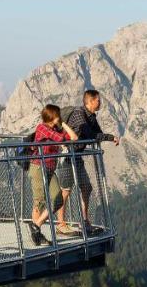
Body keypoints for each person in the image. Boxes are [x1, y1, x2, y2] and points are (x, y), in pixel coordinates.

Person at [63, 89, 119, 234]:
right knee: (65, 191)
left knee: (87, 187)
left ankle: (84, 220)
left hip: (77, 156)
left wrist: (110, 137)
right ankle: (61, 224)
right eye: (98, 100)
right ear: (90, 101)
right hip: (66, 155)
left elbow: (97, 133)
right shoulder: (78, 114)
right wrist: (107, 137)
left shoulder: (92, 117)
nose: (100, 103)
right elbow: (90, 133)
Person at [27, 104, 78, 246]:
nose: (59, 116)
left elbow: (74, 138)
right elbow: (61, 140)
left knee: (58, 200)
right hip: (38, 167)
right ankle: (37, 235)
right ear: (51, 116)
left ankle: (35, 226)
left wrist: (63, 124)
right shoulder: (42, 128)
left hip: (50, 169)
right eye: (57, 114)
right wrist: (62, 126)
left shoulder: (56, 129)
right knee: (40, 202)